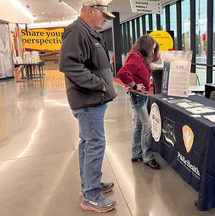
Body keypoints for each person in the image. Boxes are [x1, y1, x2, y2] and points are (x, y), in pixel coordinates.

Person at [59, 0, 117, 213]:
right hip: (88, 100)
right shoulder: (77, 31)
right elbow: (68, 64)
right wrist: (99, 85)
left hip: (92, 100)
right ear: (91, 11)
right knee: (94, 144)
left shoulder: (88, 32)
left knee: (88, 143)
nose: (105, 20)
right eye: (103, 15)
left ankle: (89, 185)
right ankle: (92, 196)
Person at [117, 34, 161, 170]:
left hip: (140, 96)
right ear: (146, 46)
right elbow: (121, 73)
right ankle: (147, 157)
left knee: (139, 125)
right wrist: (134, 85)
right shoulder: (136, 58)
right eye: (152, 49)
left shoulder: (138, 57)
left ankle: (136, 153)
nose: (153, 52)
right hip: (138, 96)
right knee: (147, 125)